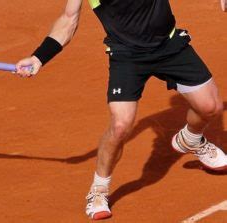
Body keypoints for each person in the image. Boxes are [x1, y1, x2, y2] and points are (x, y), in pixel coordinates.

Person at [16, 0, 227, 220]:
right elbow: (69, 20)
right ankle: (99, 190)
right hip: (127, 56)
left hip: (169, 45)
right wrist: (39, 56)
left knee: (210, 107)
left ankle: (191, 139)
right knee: (120, 125)